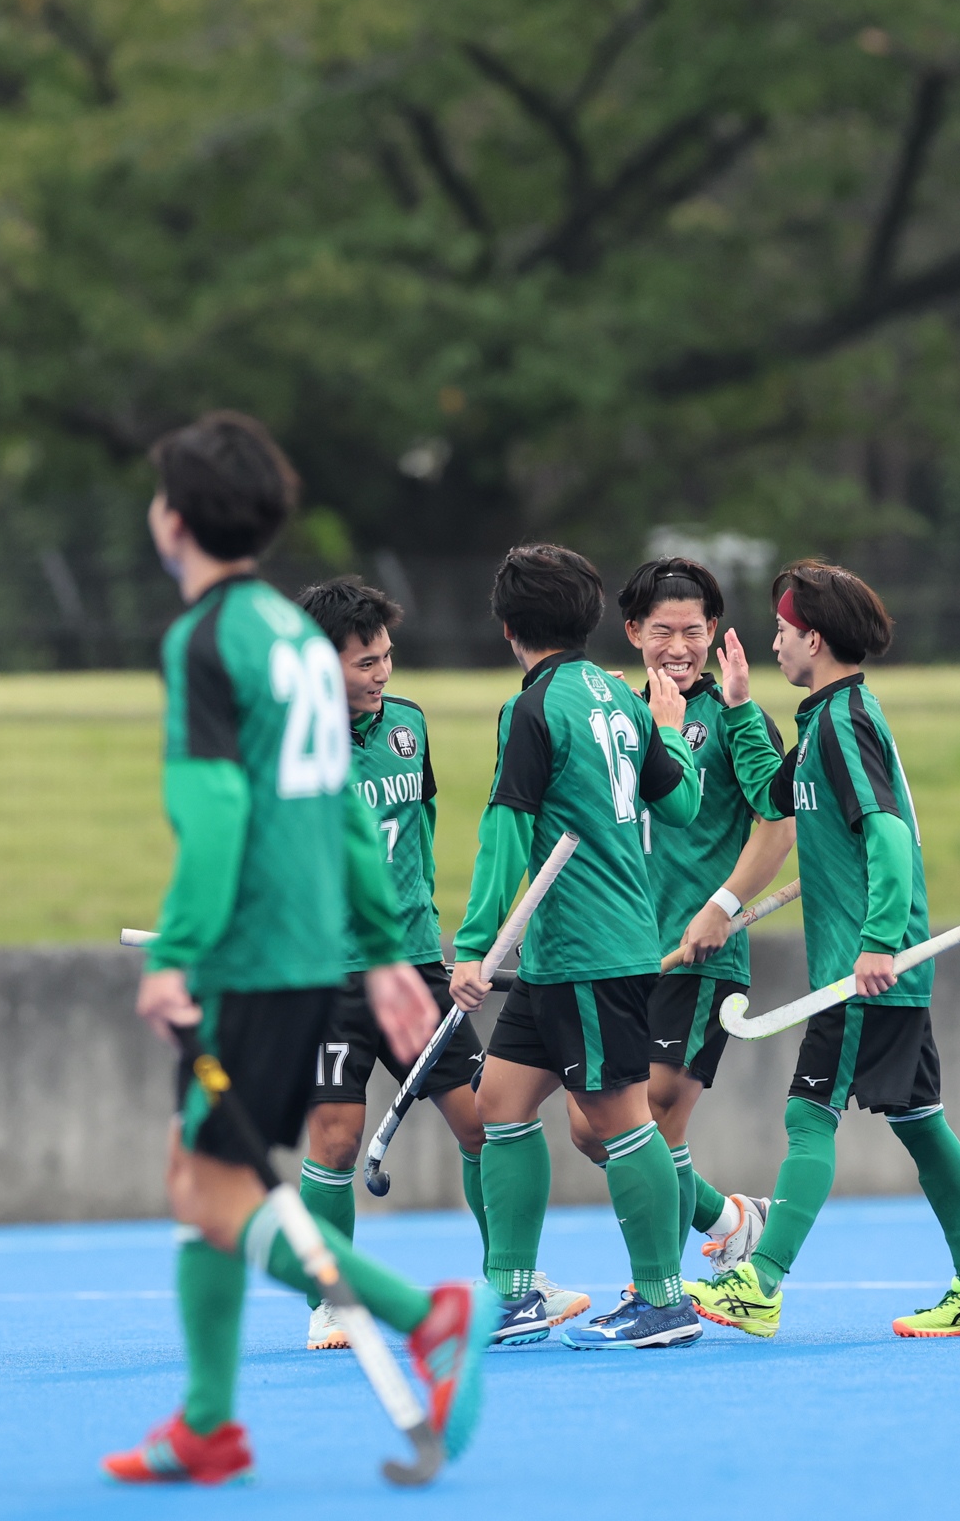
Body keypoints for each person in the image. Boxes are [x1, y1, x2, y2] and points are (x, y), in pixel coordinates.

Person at [102, 413, 492, 1487]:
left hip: (253, 963)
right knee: (202, 1178)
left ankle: (425, 1316)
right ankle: (208, 1423)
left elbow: (216, 809)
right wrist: (383, 950)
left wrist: (177, 952)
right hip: (314, 959)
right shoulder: (289, 635)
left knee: (214, 1190)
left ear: (174, 522)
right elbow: (347, 818)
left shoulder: (204, 642)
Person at [685, 560, 960, 1341]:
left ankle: (760, 1283)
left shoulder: (845, 723)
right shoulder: (824, 722)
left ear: (815, 639)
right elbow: (772, 796)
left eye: (782, 630)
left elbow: (889, 835)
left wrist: (876, 942)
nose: (773, 642)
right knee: (922, 1123)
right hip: (877, 969)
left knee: (809, 1116)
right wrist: (739, 708)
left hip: (862, 972)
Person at [287, 576, 587, 1350]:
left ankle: (512, 1281)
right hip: (327, 976)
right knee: (335, 1141)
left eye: (386, 657)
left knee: (483, 1122)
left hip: (416, 965)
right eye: (364, 663)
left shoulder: (409, 726)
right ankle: (333, 1301)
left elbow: (417, 835)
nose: (381, 673)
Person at [447, 544, 707, 1350]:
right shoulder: (619, 698)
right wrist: (669, 731)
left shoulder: (531, 708)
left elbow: (505, 829)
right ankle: (514, 1294)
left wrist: (473, 945)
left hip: (591, 948)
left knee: (619, 1118)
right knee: (499, 1104)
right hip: (560, 952)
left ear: (507, 628)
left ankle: (664, 1302)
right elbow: (683, 805)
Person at [566, 559, 791, 1274]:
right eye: (662, 631)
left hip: (701, 954)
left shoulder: (734, 718)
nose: (679, 647)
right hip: (624, 950)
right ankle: (731, 1219)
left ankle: (657, 1291)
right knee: (591, 1128)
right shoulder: (616, 716)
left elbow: (778, 822)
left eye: (693, 631)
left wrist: (722, 907)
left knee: (656, 1111)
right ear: (633, 631)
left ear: (714, 632)